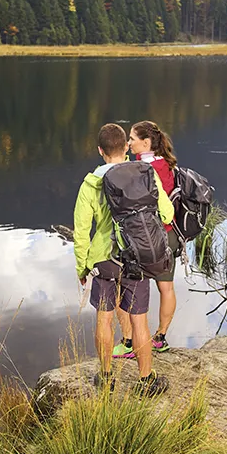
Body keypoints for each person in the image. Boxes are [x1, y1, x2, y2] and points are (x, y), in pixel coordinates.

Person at [73, 122, 174, 396]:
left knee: (104, 319)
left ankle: (106, 378)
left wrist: (82, 266)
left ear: (100, 150)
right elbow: (166, 214)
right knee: (139, 320)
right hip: (135, 259)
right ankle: (146, 381)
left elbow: (81, 233)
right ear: (126, 147)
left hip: (104, 261)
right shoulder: (145, 173)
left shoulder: (90, 184)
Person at [113, 120, 179, 359]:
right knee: (166, 287)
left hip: (145, 238)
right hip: (168, 235)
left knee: (126, 288)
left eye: (132, 138)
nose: (128, 142)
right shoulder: (165, 165)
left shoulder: (141, 168)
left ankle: (130, 341)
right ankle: (160, 338)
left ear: (146, 142)